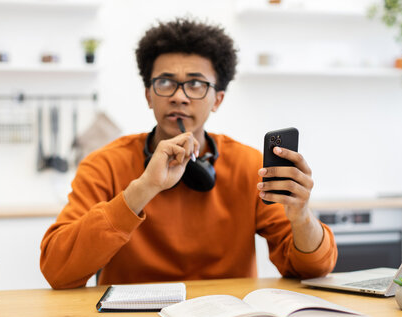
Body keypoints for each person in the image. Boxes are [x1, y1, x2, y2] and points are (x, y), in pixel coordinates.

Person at [40, 18, 337, 289]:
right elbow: (57, 270)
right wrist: (143, 188)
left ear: (217, 99)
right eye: (165, 82)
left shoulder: (250, 167)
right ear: (148, 95)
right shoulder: (105, 164)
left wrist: (301, 217)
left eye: (195, 84)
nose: (179, 96)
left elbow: (314, 269)